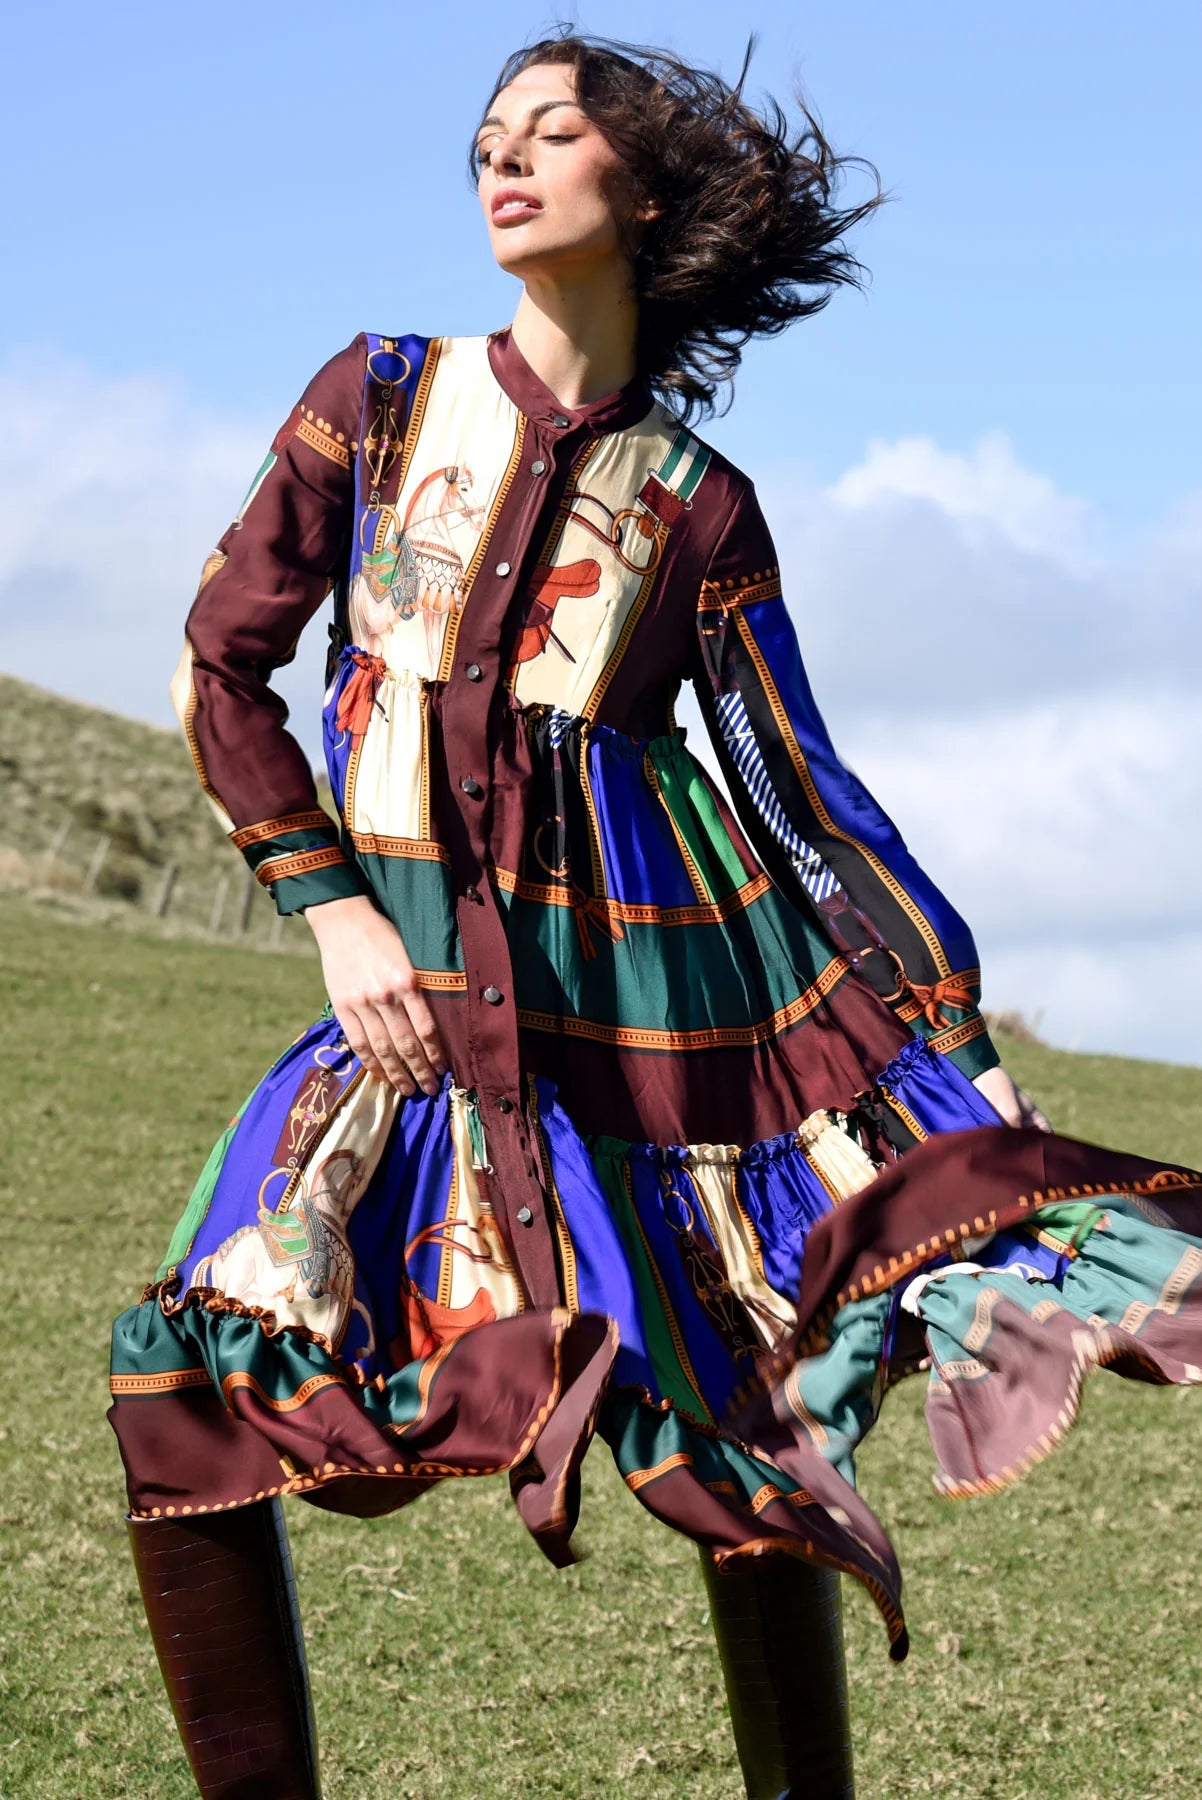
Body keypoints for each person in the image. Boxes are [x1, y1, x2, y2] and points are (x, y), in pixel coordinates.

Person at [107, 30, 1202, 1800]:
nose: (503, 157)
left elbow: (801, 794)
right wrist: (332, 913)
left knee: (748, 1426)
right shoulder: (377, 398)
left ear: (643, 193)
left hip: (658, 1031)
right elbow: (217, 667)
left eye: (552, 132)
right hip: (405, 1005)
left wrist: (954, 1049)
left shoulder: (699, 504)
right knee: (188, 1378)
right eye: (488, 134)